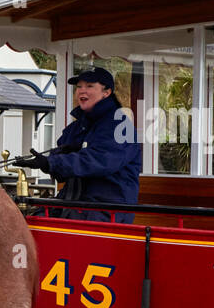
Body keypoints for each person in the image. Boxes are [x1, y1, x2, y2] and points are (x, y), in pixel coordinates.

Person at [22, 66, 141, 224]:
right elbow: (61, 170)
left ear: (106, 92)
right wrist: (49, 162)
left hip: (108, 208)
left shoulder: (121, 127)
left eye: (89, 86)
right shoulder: (78, 127)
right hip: (74, 202)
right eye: (79, 86)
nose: (81, 91)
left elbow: (99, 161)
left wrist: (51, 163)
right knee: (29, 221)